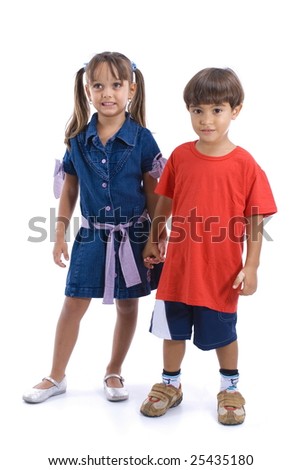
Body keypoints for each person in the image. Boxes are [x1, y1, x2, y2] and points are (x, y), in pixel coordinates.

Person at [23, 51, 165, 404]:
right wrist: (59, 233)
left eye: (116, 85)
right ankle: (56, 376)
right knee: (73, 303)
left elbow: (153, 191)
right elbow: (70, 188)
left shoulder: (143, 138)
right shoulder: (77, 139)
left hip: (133, 235)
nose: (108, 93)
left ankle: (114, 370)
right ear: (87, 90)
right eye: (98, 85)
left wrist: (155, 238)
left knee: (128, 305)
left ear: (131, 88)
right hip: (91, 235)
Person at [140, 67, 277, 425]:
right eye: (197, 110)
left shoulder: (245, 164)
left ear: (236, 110)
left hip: (220, 272)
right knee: (171, 331)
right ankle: (171, 384)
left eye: (216, 110)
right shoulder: (181, 156)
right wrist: (155, 238)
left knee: (223, 333)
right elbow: (164, 202)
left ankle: (230, 387)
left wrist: (252, 266)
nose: (206, 119)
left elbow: (255, 220)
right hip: (178, 269)